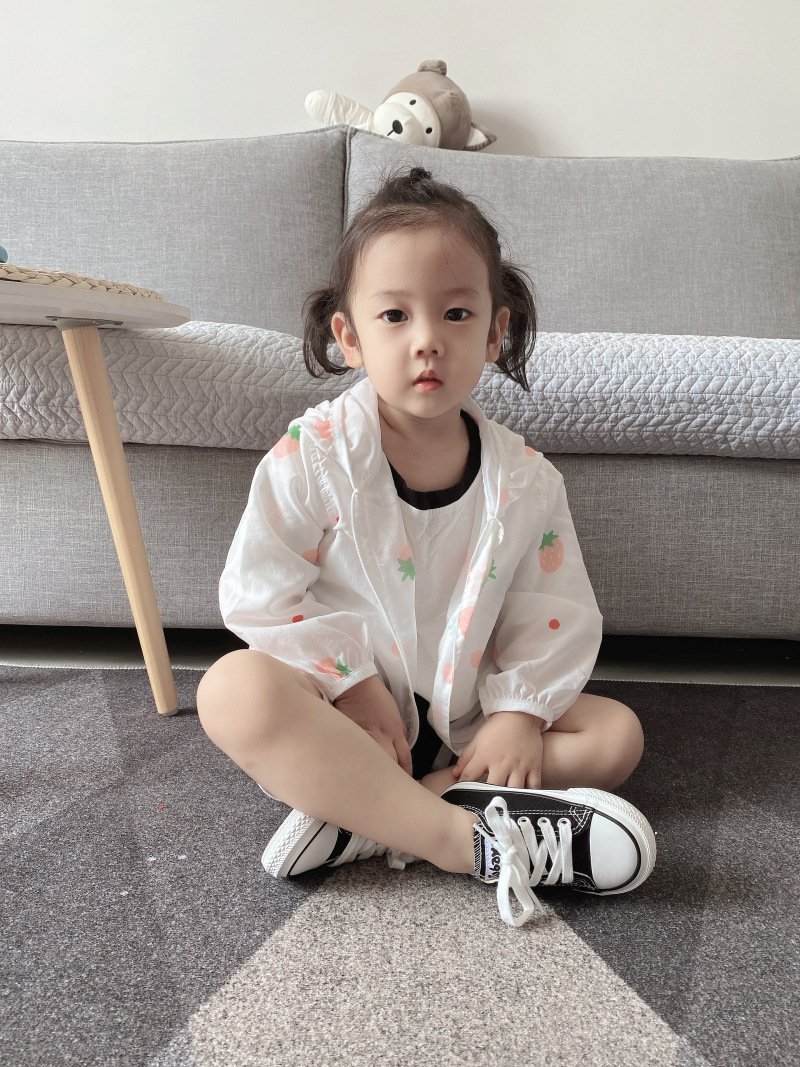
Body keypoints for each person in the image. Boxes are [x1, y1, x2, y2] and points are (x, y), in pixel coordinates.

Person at [197, 167, 655, 927]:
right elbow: (261, 591)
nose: (427, 341)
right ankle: (457, 839)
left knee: (616, 736)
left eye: (455, 313)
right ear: (349, 337)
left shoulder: (527, 481)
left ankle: (372, 819)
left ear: (495, 332)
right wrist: (348, 681)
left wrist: (519, 714)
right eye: (394, 315)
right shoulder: (313, 454)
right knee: (231, 690)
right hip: (348, 721)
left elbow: (553, 610)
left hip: (468, 719)